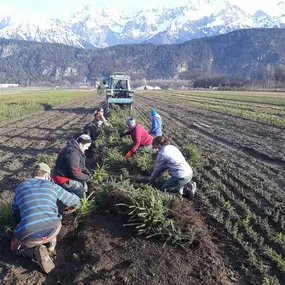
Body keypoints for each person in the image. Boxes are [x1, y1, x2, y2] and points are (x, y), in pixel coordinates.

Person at [11, 163, 80, 274]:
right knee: (54, 220)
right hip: (54, 228)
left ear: (33, 174)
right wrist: (65, 209)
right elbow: (76, 201)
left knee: (15, 247)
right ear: (48, 176)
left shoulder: (20, 187)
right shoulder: (52, 186)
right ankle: (51, 243)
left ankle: (34, 252)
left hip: (29, 234)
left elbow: (14, 213)